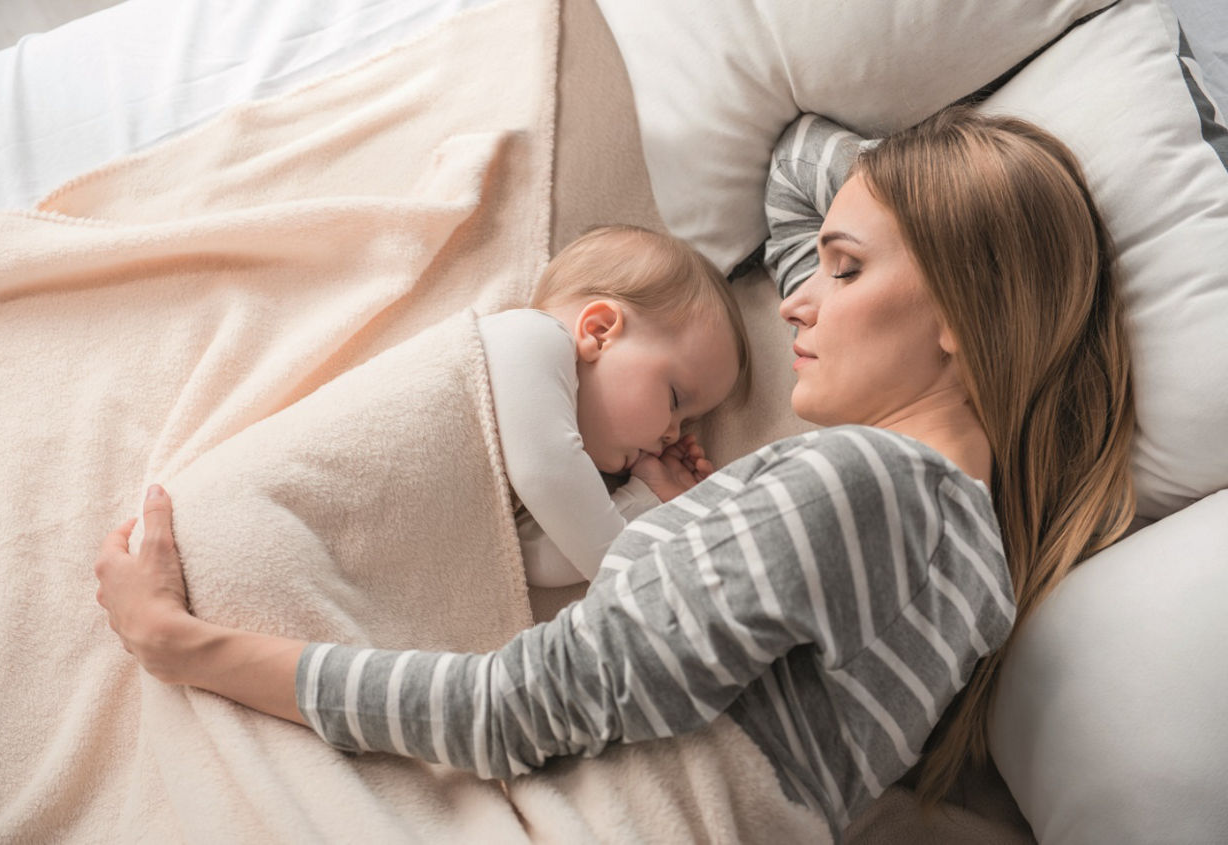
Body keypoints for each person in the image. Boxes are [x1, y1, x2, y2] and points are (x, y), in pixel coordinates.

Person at [94, 106, 1135, 840]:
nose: (793, 300)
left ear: (960, 310)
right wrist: (925, 197)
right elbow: (795, 177)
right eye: (819, 264)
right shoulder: (975, 565)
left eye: (846, 269)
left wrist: (185, 644)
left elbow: (512, 709)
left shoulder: (858, 486)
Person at [478, 223, 750, 586]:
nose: (673, 434)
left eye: (687, 423)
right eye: (674, 399)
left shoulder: (544, 488)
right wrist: (641, 577)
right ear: (600, 331)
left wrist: (647, 497)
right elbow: (547, 475)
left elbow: (523, 560)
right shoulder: (529, 337)